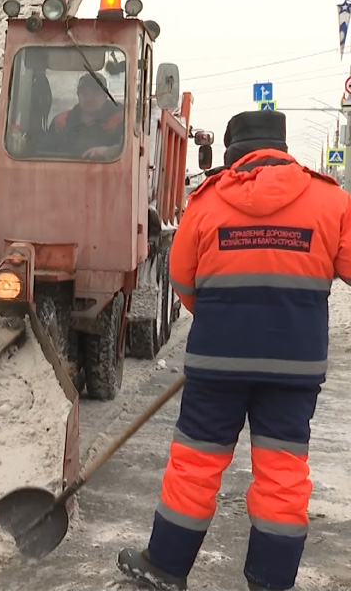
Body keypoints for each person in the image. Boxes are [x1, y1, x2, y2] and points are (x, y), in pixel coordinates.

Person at [116, 110, 351, 591]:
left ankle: (164, 566)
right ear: (282, 149)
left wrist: (226, 319)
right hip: (295, 368)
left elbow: (182, 280)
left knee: (196, 463)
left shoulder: (206, 202)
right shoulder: (332, 201)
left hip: (217, 363)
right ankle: (270, 581)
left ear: (231, 154)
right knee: (283, 473)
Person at [48, 72, 124, 160]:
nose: (89, 98)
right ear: (78, 95)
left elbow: (132, 148)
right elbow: (45, 151)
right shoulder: (61, 122)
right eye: (85, 93)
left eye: (95, 93)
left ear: (105, 95)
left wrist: (108, 152)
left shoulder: (123, 119)